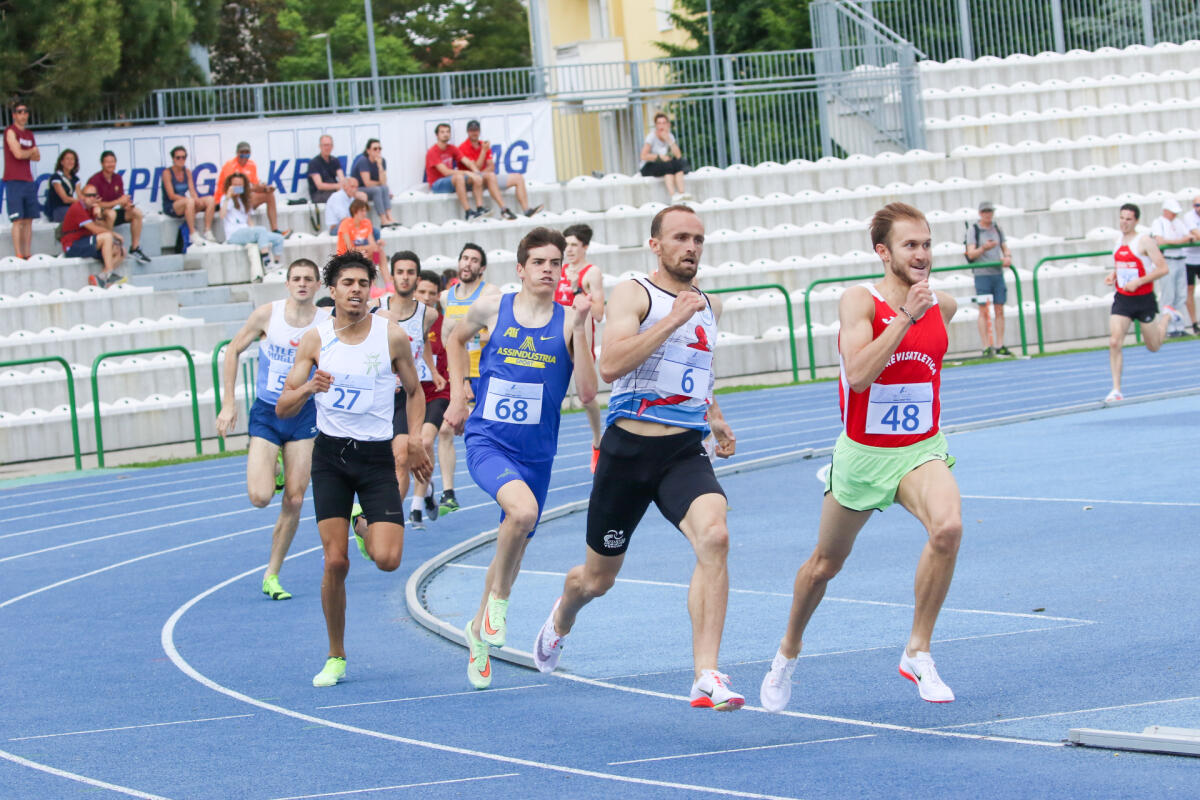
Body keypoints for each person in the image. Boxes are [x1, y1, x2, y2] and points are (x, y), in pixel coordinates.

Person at [531, 205, 744, 711]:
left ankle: (706, 673)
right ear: (655, 245)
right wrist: (672, 318)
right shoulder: (634, 292)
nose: (690, 247)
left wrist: (714, 415)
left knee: (715, 535)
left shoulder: (710, 305)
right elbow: (610, 365)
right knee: (596, 580)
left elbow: (699, 367)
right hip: (627, 451)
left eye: (698, 239)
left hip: (682, 451)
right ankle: (562, 615)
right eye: (680, 238)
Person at [758, 202, 962, 710]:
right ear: (883, 252)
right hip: (864, 454)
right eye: (910, 245)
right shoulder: (860, 301)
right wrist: (906, 316)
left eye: (927, 244)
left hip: (919, 448)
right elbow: (858, 375)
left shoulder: (944, 305)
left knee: (947, 529)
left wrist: (921, 313)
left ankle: (917, 651)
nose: (922, 254)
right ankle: (787, 653)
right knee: (824, 565)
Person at [444, 227, 597, 690]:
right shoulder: (493, 307)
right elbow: (454, 340)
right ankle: (500, 602)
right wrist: (458, 395)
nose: (548, 269)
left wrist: (583, 329)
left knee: (513, 540)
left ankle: (478, 631)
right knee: (523, 512)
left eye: (555, 263)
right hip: (488, 440)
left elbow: (588, 392)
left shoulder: (571, 319)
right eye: (539, 262)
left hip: (537, 455)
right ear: (521, 269)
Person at [276, 251, 431, 688]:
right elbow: (284, 407)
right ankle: (336, 655)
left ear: (370, 290)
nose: (356, 290)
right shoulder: (315, 339)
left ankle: (362, 525)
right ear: (333, 290)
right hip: (331, 459)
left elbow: (415, 391)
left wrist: (413, 439)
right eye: (348, 283)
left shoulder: (391, 336)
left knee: (388, 560)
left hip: (377, 458)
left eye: (363, 283)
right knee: (335, 561)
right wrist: (309, 387)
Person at [216, 259, 327, 601]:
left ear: (318, 285)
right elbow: (233, 350)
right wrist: (229, 402)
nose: (302, 283)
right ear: (287, 283)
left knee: (295, 498)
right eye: (296, 278)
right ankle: (274, 467)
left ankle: (272, 574)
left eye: (308, 279)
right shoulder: (268, 315)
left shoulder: (326, 321)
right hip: (267, 412)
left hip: (304, 413)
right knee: (260, 497)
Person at [372, 252, 440, 531]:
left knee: (401, 458)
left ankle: (390, 520)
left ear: (417, 278)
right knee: (380, 462)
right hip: (376, 396)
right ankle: (425, 489)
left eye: (410, 272)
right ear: (392, 275)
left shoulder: (428, 314)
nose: (405, 277)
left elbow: (424, 342)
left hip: (406, 395)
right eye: (400, 272)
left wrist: (432, 370)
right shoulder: (375, 307)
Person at [437, 243, 500, 514]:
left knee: (489, 433)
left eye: (474, 260)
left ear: (482, 268)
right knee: (446, 429)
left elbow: (496, 333)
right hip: (458, 375)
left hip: (484, 374)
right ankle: (448, 493)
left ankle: (504, 484)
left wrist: (475, 335)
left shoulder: (490, 294)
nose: (468, 263)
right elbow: (446, 337)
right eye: (464, 258)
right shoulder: (445, 297)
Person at [1104, 203, 1175, 402]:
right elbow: (1122, 265)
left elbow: (1163, 268)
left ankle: (1167, 316)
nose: (1124, 222)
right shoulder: (1117, 240)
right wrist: (1113, 275)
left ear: (1136, 221)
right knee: (1114, 341)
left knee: (1154, 346)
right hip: (1123, 299)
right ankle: (1116, 390)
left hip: (1143, 299)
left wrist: (1139, 282)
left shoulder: (1144, 241)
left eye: (1128, 219)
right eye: (1122, 218)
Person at [557, 223, 606, 471]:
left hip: (581, 338)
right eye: (566, 245)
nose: (569, 250)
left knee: (586, 398)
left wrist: (578, 288)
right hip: (557, 337)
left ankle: (597, 441)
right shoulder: (558, 269)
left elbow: (598, 314)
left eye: (574, 245)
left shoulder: (591, 272)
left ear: (585, 247)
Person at [411, 268, 451, 529]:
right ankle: (427, 490)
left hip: (437, 393)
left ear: (438, 296)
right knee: (408, 448)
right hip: (409, 395)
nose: (426, 297)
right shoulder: (402, 321)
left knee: (425, 442)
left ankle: (415, 507)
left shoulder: (445, 324)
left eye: (432, 293)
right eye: (422, 292)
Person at [458, 120, 543, 220]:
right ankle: (503, 209)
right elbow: (475, 169)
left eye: (476, 130)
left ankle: (526, 210)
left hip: (486, 178)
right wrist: (483, 151)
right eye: (472, 130)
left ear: (479, 131)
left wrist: (483, 172)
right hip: (472, 180)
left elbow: (491, 167)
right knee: (489, 176)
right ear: (468, 131)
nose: (474, 133)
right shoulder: (463, 147)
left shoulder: (483, 145)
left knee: (518, 178)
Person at [963, 200, 1013, 357]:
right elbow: (971, 253)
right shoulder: (974, 230)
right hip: (982, 274)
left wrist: (1007, 257)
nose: (988, 214)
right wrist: (984, 248)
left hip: (997, 273)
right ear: (980, 213)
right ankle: (986, 346)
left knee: (999, 309)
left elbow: (1005, 247)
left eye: (990, 211)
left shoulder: (997, 228)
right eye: (985, 212)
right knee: (983, 310)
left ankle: (1000, 344)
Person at [87, 151, 151, 264]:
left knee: (136, 212)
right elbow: (95, 204)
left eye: (112, 162)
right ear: (102, 164)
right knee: (111, 213)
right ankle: (109, 246)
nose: (110, 164)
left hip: (112, 211)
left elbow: (120, 199)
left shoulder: (117, 178)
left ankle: (135, 248)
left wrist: (126, 204)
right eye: (107, 162)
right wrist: (117, 201)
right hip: (99, 216)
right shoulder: (95, 180)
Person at [213, 141, 289, 236]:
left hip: (243, 198)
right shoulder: (230, 165)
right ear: (237, 153)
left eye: (247, 154)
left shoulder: (252, 165)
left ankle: (275, 229)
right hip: (228, 199)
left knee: (269, 195)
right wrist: (253, 188)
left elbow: (254, 186)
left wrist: (264, 188)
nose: (244, 156)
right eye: (242, 154)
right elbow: (232, 190)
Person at [61, 184, 127, 287]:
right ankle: (109, 273)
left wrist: (98, 215)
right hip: (72, 245)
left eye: (94, 195)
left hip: (85, 241)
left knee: (121, 251)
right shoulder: (77, 207)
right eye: (89, 195)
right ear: (82, 197)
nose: (92, 198)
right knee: (107, 237)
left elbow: (103, 227)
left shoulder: (92, 208)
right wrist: (114, 234)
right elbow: (95, 229)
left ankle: (101, 278)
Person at [221, 173, 285, 273]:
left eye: (240, 185)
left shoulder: (244, 200)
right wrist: (228, 196)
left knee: (278, 238)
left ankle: (276, 264)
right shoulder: (226, 198)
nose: (237, 187)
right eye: (235, 185)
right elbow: (222, 215)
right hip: (234, 234)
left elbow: (249, 220)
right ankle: (267, 263)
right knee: (261, 230)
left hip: (246, 231)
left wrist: (255, 232)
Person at [1149, 198, 1194, 338]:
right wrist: (1180, 241)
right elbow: (1160, 240)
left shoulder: (1178, 222)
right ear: (1165, 211)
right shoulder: (1158, 223)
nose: (1175, 214)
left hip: (1180, 260)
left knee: (1181, 295)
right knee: (1168, 295)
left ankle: (1179, 326)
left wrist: (1177, 241)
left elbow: (1190, 236)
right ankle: (1168, 328)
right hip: (1167, 260)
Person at [425, 123, 484, 220]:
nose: (445, 134)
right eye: (442, 132)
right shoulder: (432, 151)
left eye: (447, 132)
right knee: (459, 177)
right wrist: (467, 172)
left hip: (450, 180)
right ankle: (468, 212)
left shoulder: (451, 148)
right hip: (437, 184)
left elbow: (467, 161)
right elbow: (446, 172)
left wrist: (476, 172)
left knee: (475, 178)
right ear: (437, 135)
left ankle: (480, 208)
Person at [4, 101, 39, 259]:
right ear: (14, 115)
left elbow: (37, 157)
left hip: (28, 180)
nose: (23, 115)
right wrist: (30, 151)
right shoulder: (10, 131)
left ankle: (27, 254)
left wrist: (28, 152)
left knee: (29, 220)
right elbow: (18, 154)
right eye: (19, 112)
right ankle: (18, 253)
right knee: (17, 220)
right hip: (14, 180)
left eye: (25, 112)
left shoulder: (29, 134)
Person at [161, 145, 216, 243]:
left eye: (183, 157)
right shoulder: (167, 173)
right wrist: (190, 200)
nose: (181, 160)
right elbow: (171, 195)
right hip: (171, 205)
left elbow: (192, 190)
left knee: (210, 200)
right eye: (178, 157)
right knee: (190, 201)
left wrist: (196, 199)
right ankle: (192, 233)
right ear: (173, 159)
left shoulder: (187, 172)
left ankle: (207, 230)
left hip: (185, 203)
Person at [639, 112, 692, 203]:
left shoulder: (670, 136)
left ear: (668, 125)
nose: (661, 126)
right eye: (659, 123)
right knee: (668, 166)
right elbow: (643, 156)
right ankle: (673, 195)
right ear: (656, 125)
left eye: (663, 123)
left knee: (678, 164)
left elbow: (678, 155)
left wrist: (669, 140)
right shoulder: (651, 137)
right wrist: (659, 157)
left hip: (663, 164)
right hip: (648, 166)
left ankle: (682, 193)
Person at [350, 138, 397, 227]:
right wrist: (380, 183)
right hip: (359, 188)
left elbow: (384, 182)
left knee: (385, 188)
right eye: (375, 149)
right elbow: (367, 183)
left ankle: (389, 216)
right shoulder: (363, 161)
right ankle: (383, 219)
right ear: (368, 151)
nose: (378, 151)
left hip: (372, 188)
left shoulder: (382, 161)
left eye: (379, 148)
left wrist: (380, 166)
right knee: (377, 190)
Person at [335, 199, 382, 264]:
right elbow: (350, 249)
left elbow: (372, 244)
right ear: (354, 211)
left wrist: (375, 245)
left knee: (378, 251)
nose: (364, 213)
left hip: (361, 253)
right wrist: (367, 248)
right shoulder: (345, 224)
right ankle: (372, 265)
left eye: (365, 211)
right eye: (362, 211)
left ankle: (376, 265)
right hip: (346, 257)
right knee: (368, 252)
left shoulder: (367, 222)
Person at [44, 149, 80, 223]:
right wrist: (83, 201)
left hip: (70, 207)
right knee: (76, 214)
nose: (70, 161)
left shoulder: (76, 179)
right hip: (58, 209)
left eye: (72, 159)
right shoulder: (56, 177)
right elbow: (65, 199)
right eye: (67, 159)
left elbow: (79, 195)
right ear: (62, 162)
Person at [307, 134, 344, 204]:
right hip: (318, 194)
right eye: (325, 145)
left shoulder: (335, 160)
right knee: (338, 197)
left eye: (329, 145)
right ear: (320, 146)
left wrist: (342, 186)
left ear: (332, 146)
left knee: (351, 194)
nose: (327, 148)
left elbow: (342, 179)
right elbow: (320, 186)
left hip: (334, 191)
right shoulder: (314, 163)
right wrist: (338, 186)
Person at [1183, 195, 1200, 335]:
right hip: (1188, 259)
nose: (1198, 208)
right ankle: (1194, 323)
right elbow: (1197, 234)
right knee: (1189, 289)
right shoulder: (1189, 217)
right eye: (1196, 205)